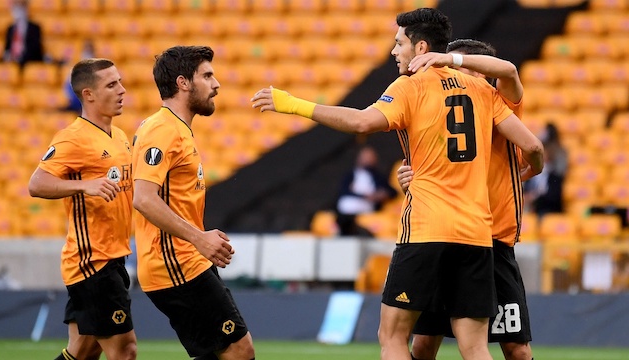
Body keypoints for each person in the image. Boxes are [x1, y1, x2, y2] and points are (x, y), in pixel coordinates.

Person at [251, 8, 544, 360]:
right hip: (477, 235)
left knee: (392, 336)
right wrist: (524, 172)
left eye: (398, 43)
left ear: (420, 48)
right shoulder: (482, 91)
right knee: (475, 346)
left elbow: (362, 123)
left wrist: (293, 104)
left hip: (427, 230)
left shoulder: (410, 85)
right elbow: (531, 145)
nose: (393, 51)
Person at [398, 39, 536, 360]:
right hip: (445, 236)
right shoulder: (444, 110)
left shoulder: (499, 101)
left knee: (516, 349)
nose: (453, 75)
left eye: (463, 67)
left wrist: (450, 58)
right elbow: (419, 167)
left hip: (493, 241)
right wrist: (407, 180)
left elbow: (510, 73)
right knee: (424, 343)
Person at [131, 45, 255, 360]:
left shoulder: (177, 129)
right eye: (208, 76)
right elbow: (143, 198)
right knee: (239, 351)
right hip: (174, 264)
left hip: (187, 261)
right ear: (184, 83)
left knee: (223, 352)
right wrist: (199, 238)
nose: (217, 85)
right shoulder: (162, 130)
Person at [28, 58, 137, 360]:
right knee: (125, 350)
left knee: (82, 352)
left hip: (113, 257)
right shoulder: (73, 138)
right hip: (93, 262)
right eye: (111, 84)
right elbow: (37, 183)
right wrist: (83, 185)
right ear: (88, 94)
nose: (122, 90)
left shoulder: (120, 137)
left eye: (120, 82)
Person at [335, 145, 398, 236]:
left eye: (371, 157)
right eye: (365, 157)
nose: (368, 160)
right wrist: (363, 196)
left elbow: (392, 192)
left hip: (368, 210)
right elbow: (343, 191)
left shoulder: (378, 177)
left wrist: (382, 194)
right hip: (348, 208)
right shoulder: (350, 175)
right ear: (359, 158)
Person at [524, 122, 567, 218]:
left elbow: (555, 197)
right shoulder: (530, 175)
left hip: (547, 211)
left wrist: (535, 197)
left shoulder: (554, 177)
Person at [3, 0, 44, 68]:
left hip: (28, 63)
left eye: (20, 7)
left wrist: (21, 58)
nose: (18, 10)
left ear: (26, 8)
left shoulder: (34, 28)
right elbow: (7, 48)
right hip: (12, 64)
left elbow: (36, 49)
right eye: (16, 7)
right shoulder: (10, 28)